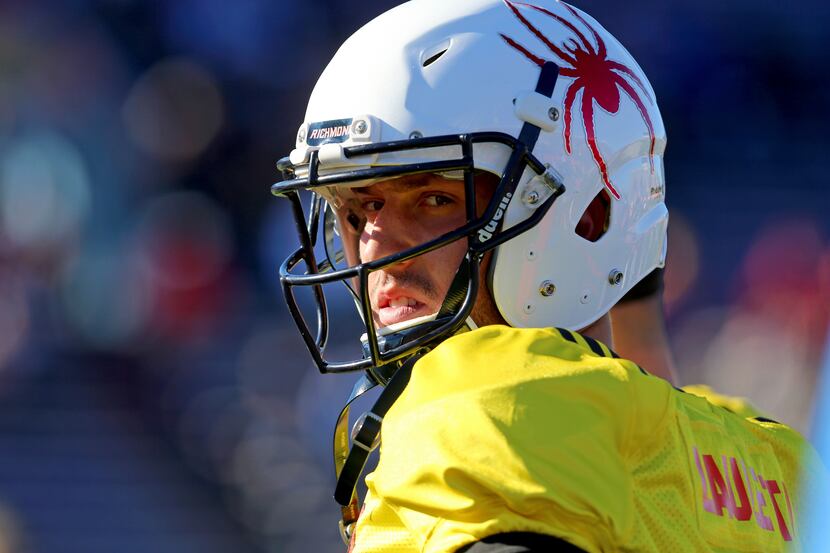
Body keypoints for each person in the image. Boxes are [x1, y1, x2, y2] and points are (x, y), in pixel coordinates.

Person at [271, 1, 826, 551]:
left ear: (587, 216)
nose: (374, 249)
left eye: (433, 199)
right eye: (356, 210)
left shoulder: (488, 411)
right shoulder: (771, 466)